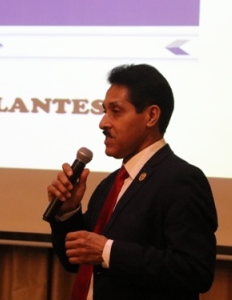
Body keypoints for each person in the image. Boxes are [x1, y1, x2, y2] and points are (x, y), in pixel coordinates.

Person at [46, 63, 218, 300]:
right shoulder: (110, 184)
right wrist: (68, 212)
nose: (103, 123)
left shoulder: (181, 179)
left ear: (151, 116)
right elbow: (75, 261)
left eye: (116, 111)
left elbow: (195, 270)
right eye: (104, 111)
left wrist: (108, 251)